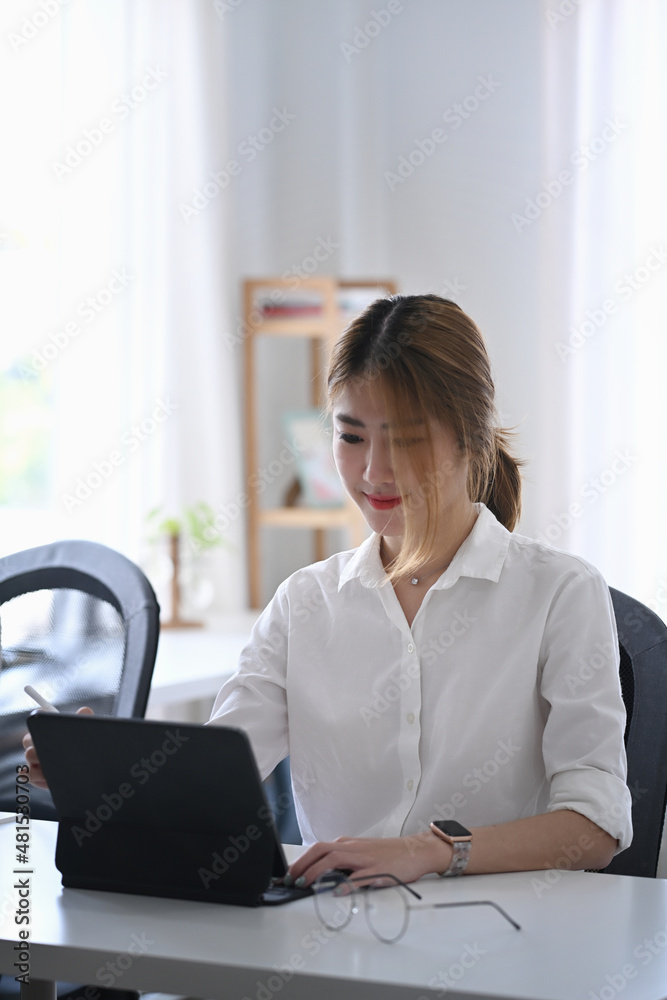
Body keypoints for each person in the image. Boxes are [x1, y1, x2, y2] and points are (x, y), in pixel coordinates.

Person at [24, 294, 632, 887]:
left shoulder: (560, 593)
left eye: (408, 438)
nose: (374, 472)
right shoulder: (305, 603)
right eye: (352, 437)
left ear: (469, 439)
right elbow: (210, 781)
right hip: (335, 935)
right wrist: (93, 773)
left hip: (507, 941)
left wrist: (428, 852)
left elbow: (596, 825)